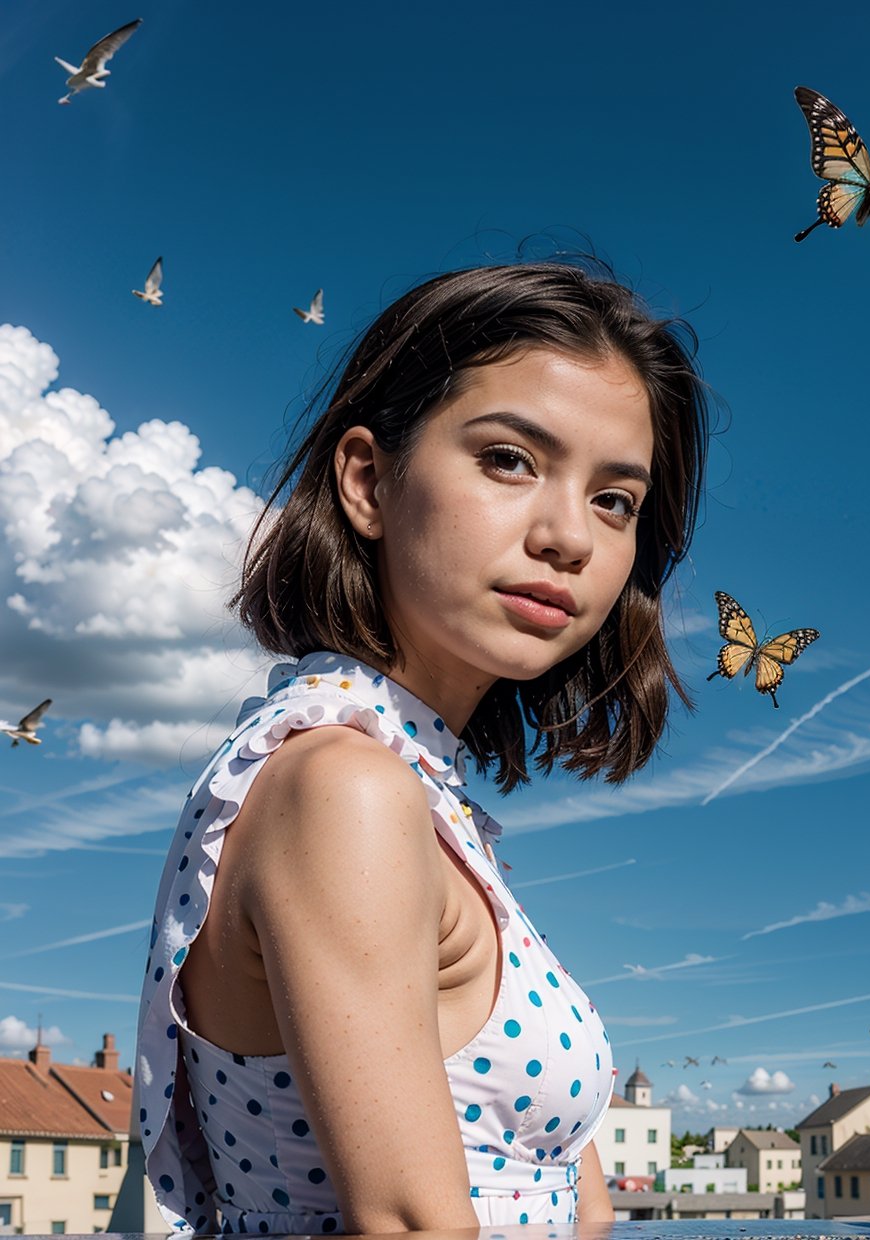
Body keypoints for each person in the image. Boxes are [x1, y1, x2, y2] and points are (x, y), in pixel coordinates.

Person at [135, 260, 711, 1235]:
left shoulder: (413, 791)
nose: (569, 536)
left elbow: (582, 1202)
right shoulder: (341, 785)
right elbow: (410, 1223)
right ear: (366, 479)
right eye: (508, 459)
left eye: (615, 499)